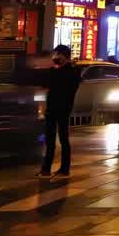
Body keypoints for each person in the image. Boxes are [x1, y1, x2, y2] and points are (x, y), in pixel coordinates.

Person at [38, 45, 81, 178]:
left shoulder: (72, 72)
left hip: (63, 109)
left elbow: (67, 87)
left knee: (63, 139)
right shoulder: (53, 71)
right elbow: (44, 88)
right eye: (54, 54)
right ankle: (46, 169)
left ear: (65, 56)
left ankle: (64, 169)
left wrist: (56, 69)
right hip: (51, 109)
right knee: (49, 140)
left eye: (58, 54)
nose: (55, 57)